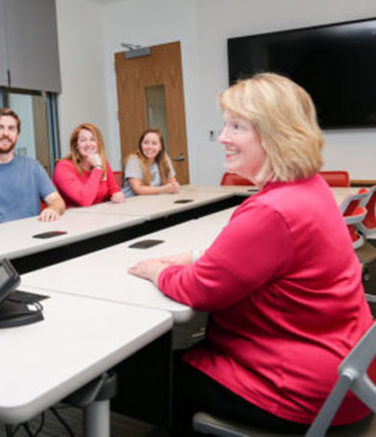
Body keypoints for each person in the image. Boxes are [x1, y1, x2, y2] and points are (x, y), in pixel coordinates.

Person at [128, 73, 373, 435]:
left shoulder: (272, 211)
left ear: (275, 134)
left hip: (298, 389)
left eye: (236, 127)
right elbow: (262, 258)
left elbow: (199, 291)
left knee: (146, 378)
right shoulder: (311, 188)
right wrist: (197, 255)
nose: (223, 137)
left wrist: (155, 270)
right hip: (346, 376)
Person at [52, 123, 124, 207]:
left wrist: (117, 195)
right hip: (70, 217)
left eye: (93, 139)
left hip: (95, 215)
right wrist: (97, 168)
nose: (88, 144)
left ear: (98, 144)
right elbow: (84, 200)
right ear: (76, 146)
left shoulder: (101, 162)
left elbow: (113, 189)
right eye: (83, 140)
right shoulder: (63, 167)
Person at [121, 128, 180, 197]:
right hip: (132, 201)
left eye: (154, 143)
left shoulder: (164, 157)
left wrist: (174, 185)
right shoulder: (133, 160)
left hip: (152, 200)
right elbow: (137, 189)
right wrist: (163, 189)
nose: (149, 147)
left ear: (160, 147)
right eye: (146, 143)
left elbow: (171, 180)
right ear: (141, 145)